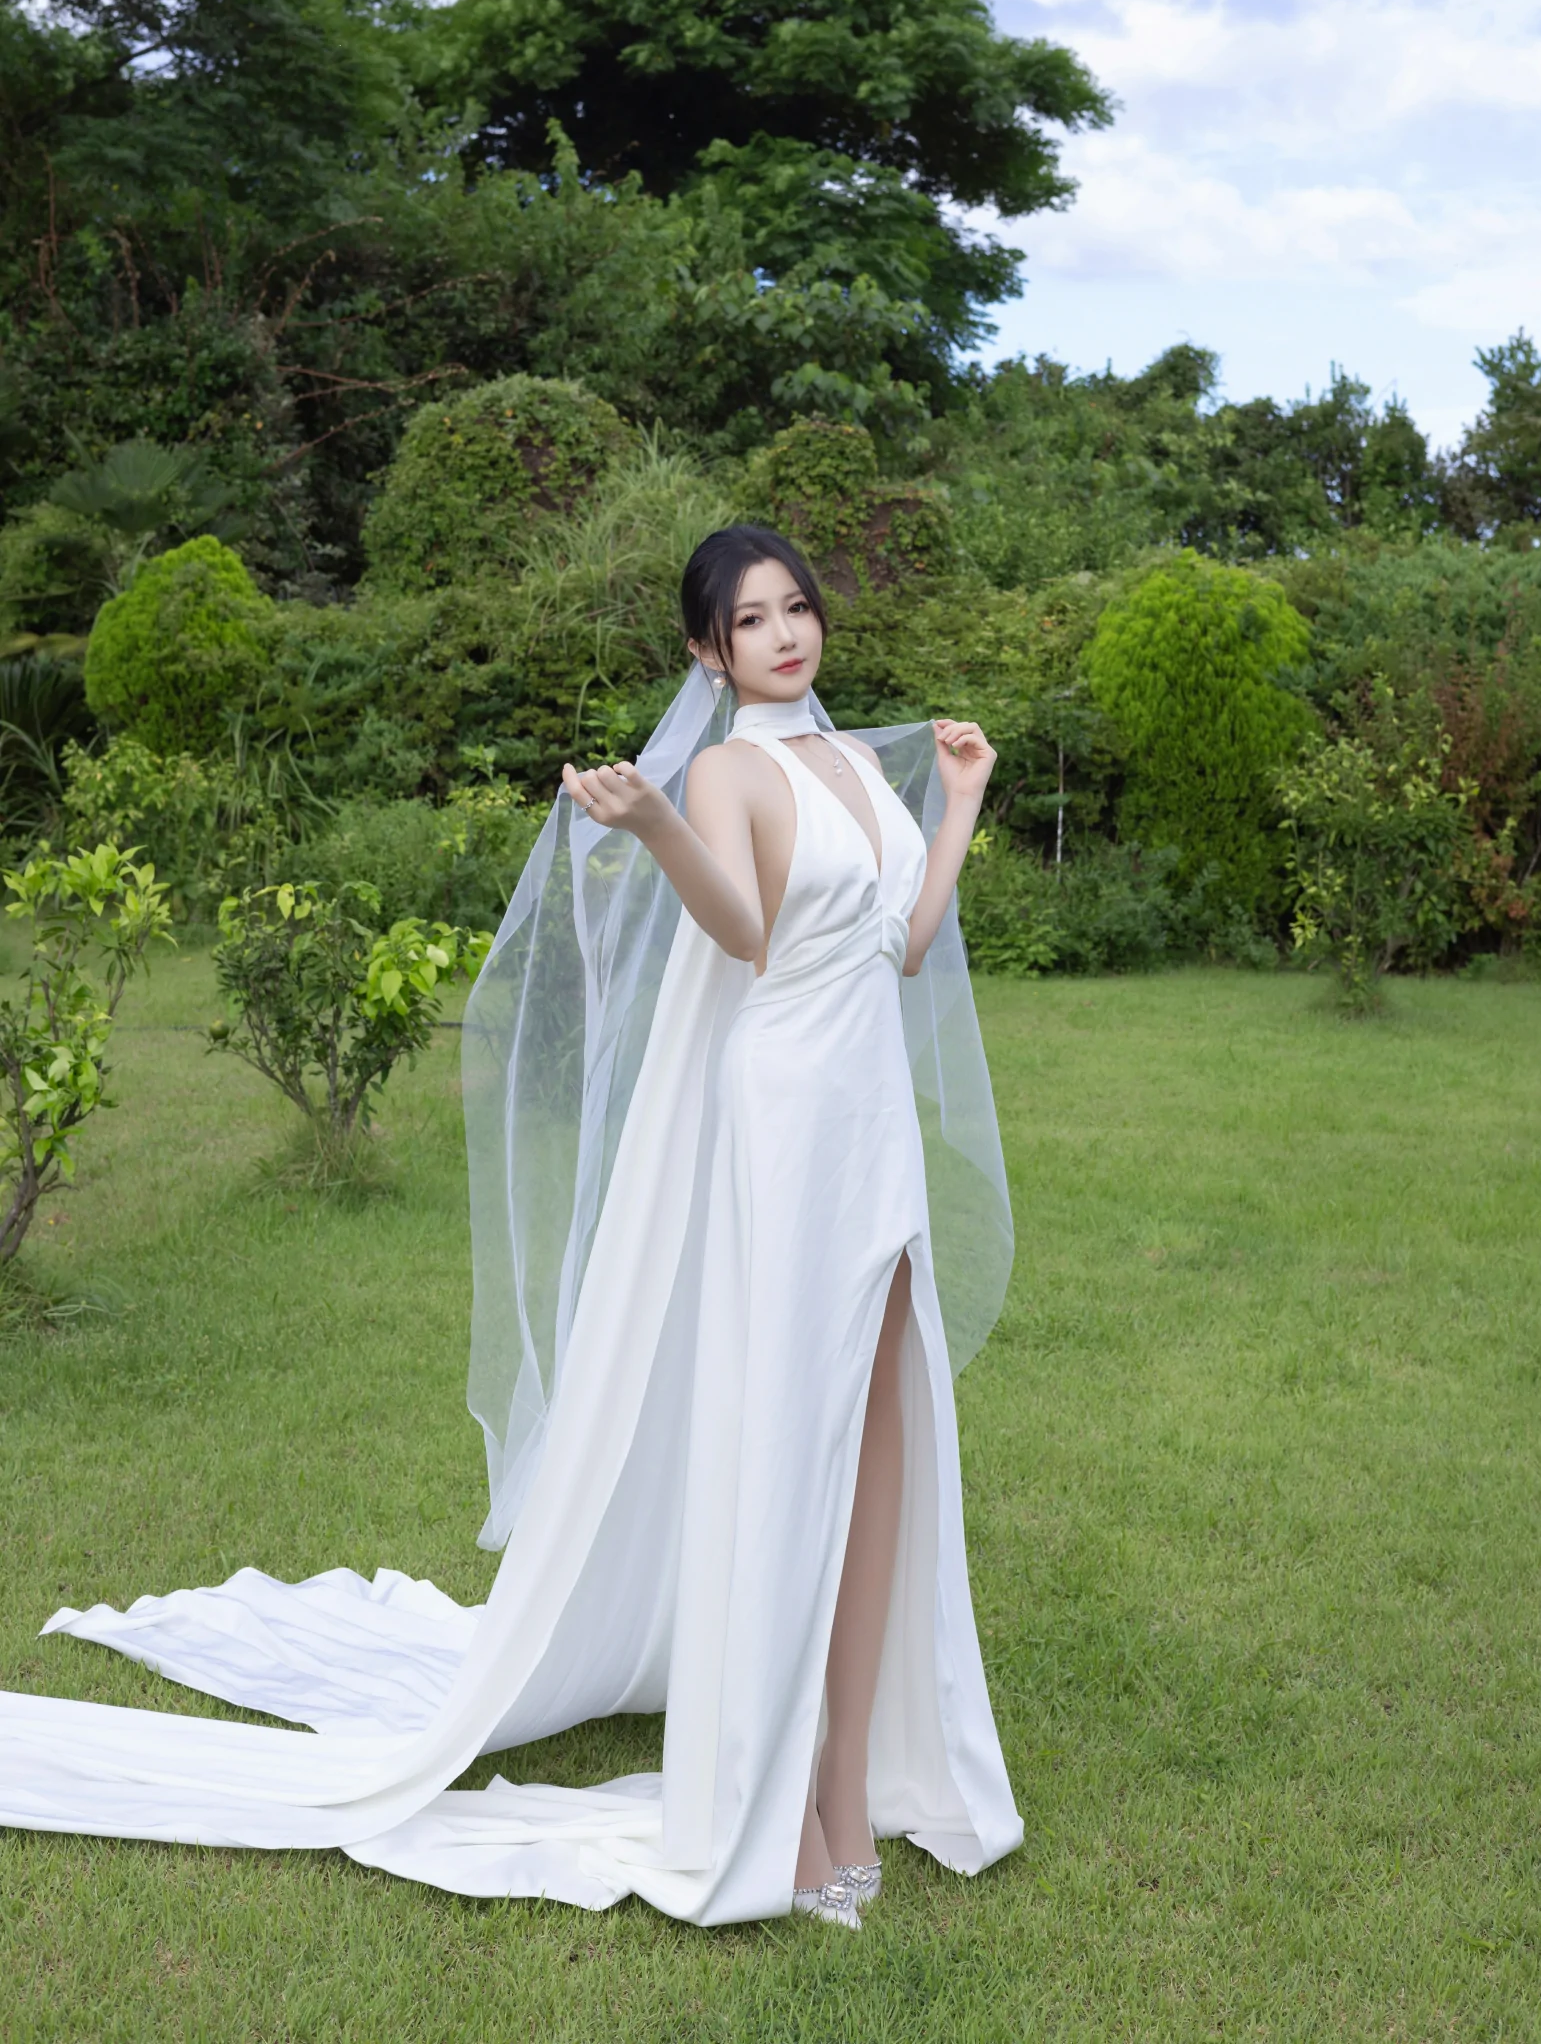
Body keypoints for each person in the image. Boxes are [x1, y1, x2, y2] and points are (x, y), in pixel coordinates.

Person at [0, 524, 1021, 1930]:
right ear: (707, 651)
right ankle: (787, 1805)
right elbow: (744, 934)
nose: (787, 634)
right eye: (752, 619)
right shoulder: (726, 772)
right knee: (791, 1454)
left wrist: (959, 799)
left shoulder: (857, 761)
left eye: (797, 607)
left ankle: (847, 1781)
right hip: (787, 1119)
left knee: (883, 1454)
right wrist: (655, 824)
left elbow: (902, 943)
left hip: (872, 1124)